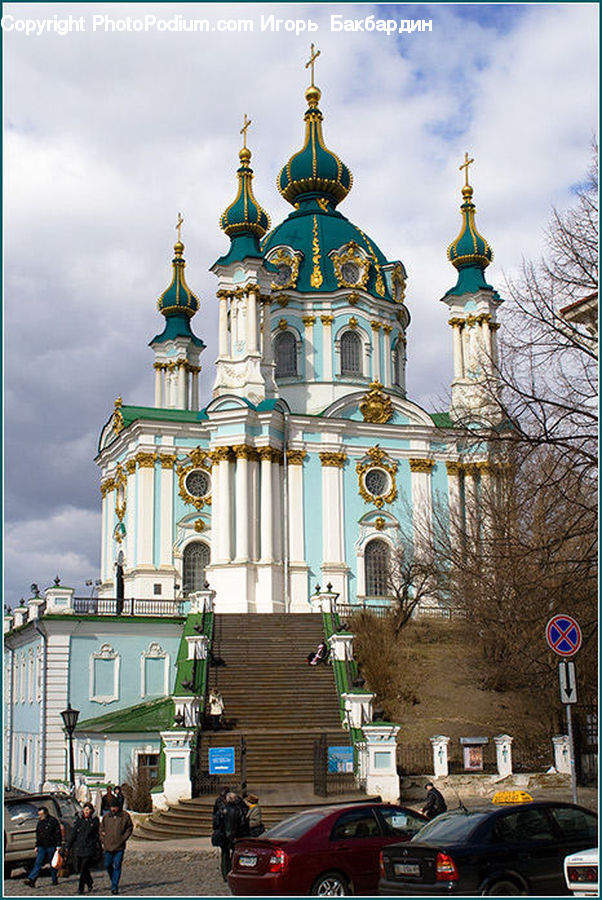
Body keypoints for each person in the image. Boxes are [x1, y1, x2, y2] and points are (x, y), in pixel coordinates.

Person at [100, 800, 134, 895]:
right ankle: (113, 878)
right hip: (108, 845)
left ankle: (114, 885)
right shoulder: (106, 817)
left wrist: (123, 838)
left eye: (115, 807)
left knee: (117, 865)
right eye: (111, 807)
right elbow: (101, 828)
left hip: (119, 846)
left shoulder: (124, 816)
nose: (113, 809)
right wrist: (103, 839)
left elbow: (129, 828)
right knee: (107, 864)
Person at [24, 806, 62, 887]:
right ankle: (32, 879)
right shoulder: (40, 822)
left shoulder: (53, 821)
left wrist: (58, 845)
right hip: (42, 846)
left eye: (41, 814)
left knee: (53, 863)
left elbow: (58, 833)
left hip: (51, 845)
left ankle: (54, 879)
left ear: (45, 813)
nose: (40, 816)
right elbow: (38, 835)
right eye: (39, 814)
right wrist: (37, 845)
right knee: (38, 863)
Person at [67, 802, 100, 894]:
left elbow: (97, 835)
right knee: (80, 868)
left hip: (89, 848)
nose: (86, 811)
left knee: (84, 867)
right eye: (85, 809)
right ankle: (89, 882)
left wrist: (96, 845)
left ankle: (80, 888)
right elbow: (73, 834)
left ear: (91, 811)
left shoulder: (94, 821)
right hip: (79, 847)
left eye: (88, 810)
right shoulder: (79, 820)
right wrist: (67, 847)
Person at [216, 791, 247, 881]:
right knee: (235, 854)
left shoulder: (222, 810)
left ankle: (225, 874)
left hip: (224, 835)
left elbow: (217, 823)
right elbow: (242, 823)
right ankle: (234, 871)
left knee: (225, 855)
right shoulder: (239, 810)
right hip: (236, 835)